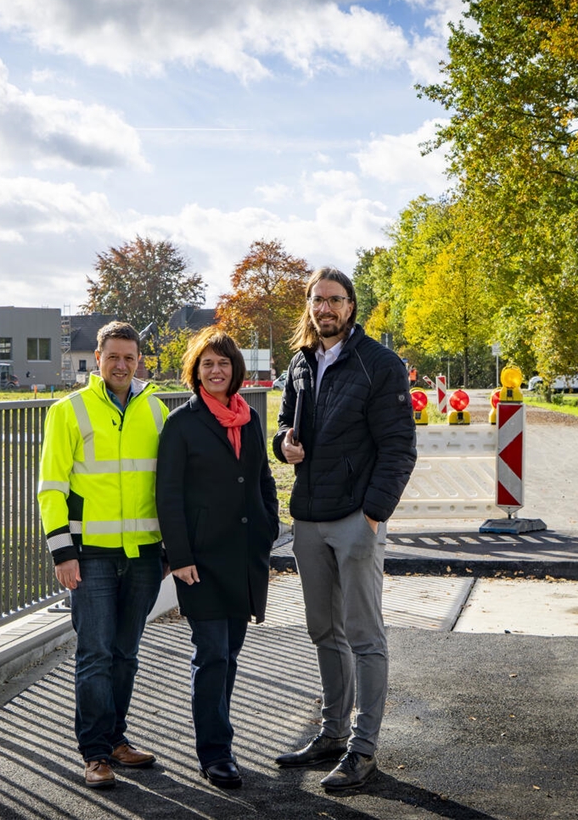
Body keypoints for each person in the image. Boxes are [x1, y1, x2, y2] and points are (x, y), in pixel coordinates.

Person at [272, 267, 417, 790]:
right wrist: (283, 445)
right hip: (309, 518)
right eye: (318, 300)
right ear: (309, 306)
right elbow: (284, 427)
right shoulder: (301, 362)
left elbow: (400, 448)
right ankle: (332, 733)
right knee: (323, 631)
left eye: (334, 300)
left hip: (357, 517)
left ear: (351, 306)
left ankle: (363, 748)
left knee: (364, 635)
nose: (325, 309)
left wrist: (373, 515)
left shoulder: (379, 364)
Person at [37, 321, 169, 789]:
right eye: (112, 356)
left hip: (143, 556)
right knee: (95, 654)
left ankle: (116, 740)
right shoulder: (68, 410)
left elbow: (167, 485)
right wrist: (62, 553)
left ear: (139, 360)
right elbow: (51, 488)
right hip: (89, 556)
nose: (120, 365)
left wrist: (167, 550)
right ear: (97, 358)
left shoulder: (156, 410)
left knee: (125, 654)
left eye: (129, 357)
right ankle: (94, 753)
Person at [156, 327, 279, 790]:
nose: (216, 370)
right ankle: (215, 752)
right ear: (196, 370)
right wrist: (179, 555)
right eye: (207, 363)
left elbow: (262, 477)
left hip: (244, 557)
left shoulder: (249, 417)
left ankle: (218, 742)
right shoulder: (181, 423)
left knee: (229, 653)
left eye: (223, 363)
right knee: (210, 654)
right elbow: (168, 495)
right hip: (201, 561)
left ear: (235, 369)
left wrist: (269, 524)